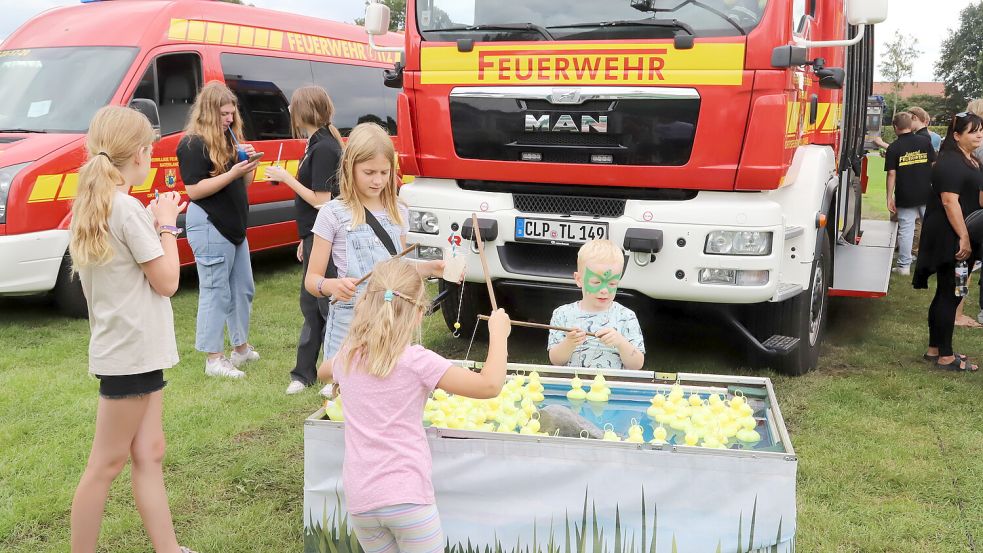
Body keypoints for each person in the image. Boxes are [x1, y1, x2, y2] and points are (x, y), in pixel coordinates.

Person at [317, 258, 512, 553]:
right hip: (407, 499)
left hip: (361, 502)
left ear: (367, 304)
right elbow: (489, 385)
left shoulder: (348, 357)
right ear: (419, 314)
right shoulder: (418, 361)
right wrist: (499, 336)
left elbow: (322, 370)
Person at [69, 106, 196, 553]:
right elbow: (167, 281)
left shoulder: (97, 204)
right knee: (105, 463)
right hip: (132, 354)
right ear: (142, 153)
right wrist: (166, 224)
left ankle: (170, 549)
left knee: (149, 451)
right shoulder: (125, 209)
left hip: (130, 349)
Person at [305, 122, 445, 395]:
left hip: (390, 321)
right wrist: (331, 286)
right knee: (342, 400)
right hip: (350, 323)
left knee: (385, 394)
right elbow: (312, 280)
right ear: (350, 168)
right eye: (369, 172)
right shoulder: (332, 214)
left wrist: (432, 268)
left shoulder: (399, 212)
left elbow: (402, 269)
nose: (378, 180)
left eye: (384, 172)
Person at [177, 81, 261, 379]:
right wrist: (232, 173)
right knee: (215, 292)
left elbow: (243, 184)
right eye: (224, 113)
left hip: (235, 226)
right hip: (210, 224)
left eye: (231, 113)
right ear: (210, 112)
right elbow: (195, 190)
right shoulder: (192, 143)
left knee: (243, 288)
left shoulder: (229, 140)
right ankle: (213, 359)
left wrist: (248, 167)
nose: (229, 119)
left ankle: (240, 348)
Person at [266, 86, 344, 395]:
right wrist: (306, 238)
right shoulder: (316, 143)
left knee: (326, 306)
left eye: (292, 107)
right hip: (316, 235)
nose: (288, 112)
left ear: (304, 111)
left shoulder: (324, 147)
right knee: (312, 305)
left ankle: (334, 371)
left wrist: (286, 179)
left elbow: (322, 201)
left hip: (326, 234)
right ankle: (304, 373)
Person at [912, 111, 983, 372]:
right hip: (950, 235)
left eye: (981, 130)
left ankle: (936, 349)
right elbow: (949, 201)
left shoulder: (971, 161)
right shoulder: (950, 162)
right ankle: (945, 356)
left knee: (951, 292)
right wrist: (963, 237)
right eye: (973, 131)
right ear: (956, 135)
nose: (979, 135)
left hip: (965, 232)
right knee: (951, 293)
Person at [548, 239, 645, 370]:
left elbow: (637, 365)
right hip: (574, 387)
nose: (604, 290)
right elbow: (555, 361)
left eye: (612, 284)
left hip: (611, 388)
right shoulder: (562, 314)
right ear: (578, 279)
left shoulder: (626, 316)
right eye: (596, 282)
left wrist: (621, 343)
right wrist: (569, 343)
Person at [884, 112, 935, 275]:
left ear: (895, 127)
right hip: (926, 192)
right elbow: (934, 164)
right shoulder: (925, 142)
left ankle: (904, 267)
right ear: (911, 125)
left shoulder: (894, 148)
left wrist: (889, 197)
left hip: (905, 195)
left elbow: (892, 174)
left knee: (906, 230)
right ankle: (930, 263)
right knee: (930, 227)